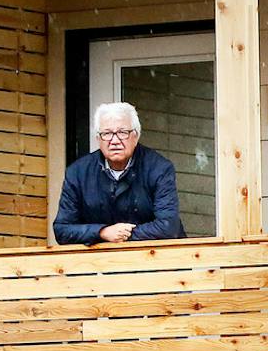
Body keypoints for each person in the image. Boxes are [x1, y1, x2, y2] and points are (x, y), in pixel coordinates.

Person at [52, 101, 185, 244]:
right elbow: (62, 230)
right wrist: (102, 232)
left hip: (155, 260)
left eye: (122, 132)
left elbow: (169, 227)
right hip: (99, 263)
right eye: (107, 133)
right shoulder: (78, 172)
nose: (114, 141)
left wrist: (122, 235)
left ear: (136, 136)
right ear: (98, 139)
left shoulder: (159, 168)